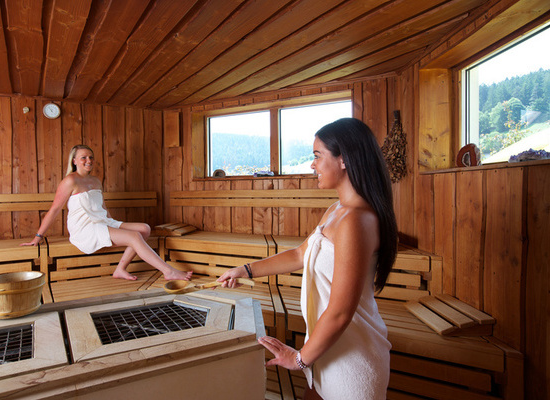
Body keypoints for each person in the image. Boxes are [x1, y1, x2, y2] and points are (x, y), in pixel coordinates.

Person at [218, 118, 397, 400]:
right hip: (325, 348)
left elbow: (340, 312)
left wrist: (300, 359)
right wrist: (245, 270)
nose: (312, 165)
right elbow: (301, 253)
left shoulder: (356, 221)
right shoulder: (337, 210)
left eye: (317, 155)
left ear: (344, 160)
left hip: (351, 359)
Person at [21, 144, 192, 282]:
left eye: (91, 157)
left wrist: (114, 225)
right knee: (134, 236)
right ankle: (168, 271)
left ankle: (120, 269)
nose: (88, 160)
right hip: (85, 228)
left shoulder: (95, 181)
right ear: (74, 161)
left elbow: (102, 207)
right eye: (84, 157)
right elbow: (54, 210)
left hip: (102, 221)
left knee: (144, 229)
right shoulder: (70, 180)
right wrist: (38, 237)